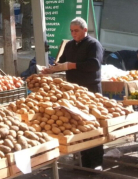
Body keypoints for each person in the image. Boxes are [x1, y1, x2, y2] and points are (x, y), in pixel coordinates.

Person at [42, 17, 104, 170]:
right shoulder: (69, 45)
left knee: (93, 126)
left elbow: (94, 65)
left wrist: (72, 65)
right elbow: (62, 63)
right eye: (71, 31)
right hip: (73, 92)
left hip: (90, 91)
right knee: (79, 125)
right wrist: (52, 69)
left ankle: (96, 162)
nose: (73, 33)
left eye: (76, 31)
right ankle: (83, 160)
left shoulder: (94, 44)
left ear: (84, 30)